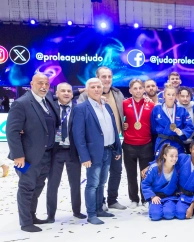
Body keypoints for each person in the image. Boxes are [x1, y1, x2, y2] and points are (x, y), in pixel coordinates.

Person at [6, 73, 60, 232]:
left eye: (47, 84)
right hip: (27, 157)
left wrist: (82, 90)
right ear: (31, 84)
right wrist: (18, 155)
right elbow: (12, 132)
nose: (44, 86)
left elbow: (61, 97)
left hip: (46, 154)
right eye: (40, 83)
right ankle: (26, 222)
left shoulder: (48, 99)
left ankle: (31, 215)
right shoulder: (21, 104)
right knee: (26, 187)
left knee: (37, 186)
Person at [72, 78, 122, 225]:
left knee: (101, 183)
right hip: (93, 154)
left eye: (98, 87)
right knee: (92, 184)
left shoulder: (106, 106)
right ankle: (91, 213)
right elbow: (78, 135)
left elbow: (113, 128)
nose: (96, 89)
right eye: (93, 87)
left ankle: (100, 209)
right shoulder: (81, 108)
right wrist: (84, 156)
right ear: (87, 90)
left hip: (108, 150)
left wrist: (117, 148)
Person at [46, 82, 86, 223]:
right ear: (56, 93)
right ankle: (50, 215)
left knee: (75, 184)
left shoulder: (78, 109)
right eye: (63, 91)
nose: (66, 93)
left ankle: (77, 211)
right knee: (53, 184)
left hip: (72, 152)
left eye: (69, 91)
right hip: (55, 152)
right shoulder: (50, 106)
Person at [122, 79, 155, 209]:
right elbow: (119, 119)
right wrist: (123, 125)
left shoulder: (150, 104)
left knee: (145, 175)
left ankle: (145, 198)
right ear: (130, 91)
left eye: (140, 88)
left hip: (146, 144)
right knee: (131, 174)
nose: (138, 91)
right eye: (135, 88)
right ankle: (134, 199)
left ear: (144, 89)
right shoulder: (124, 103)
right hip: (129, 144)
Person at [151, 85, 194, 156]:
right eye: (168, 94)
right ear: (164, 95)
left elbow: (190, 127)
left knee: (177, 164)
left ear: (176, 96)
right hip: (162, 142)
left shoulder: (182, 110)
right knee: (161, 165)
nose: (171, 97)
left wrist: (181, 132)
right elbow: (153, 128)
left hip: (176, 142)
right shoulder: (157, 109)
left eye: (173, 95)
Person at [142, 145, 179, 221]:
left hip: (170, 197)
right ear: (165, 156)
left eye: (176, 156)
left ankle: (169, 206)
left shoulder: (178, 168)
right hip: (156, 197)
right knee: (155, 216)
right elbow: (145, 184)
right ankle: (152, 206)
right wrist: (152, 196)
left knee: (169, 215)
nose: (174, 159)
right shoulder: (154, 168)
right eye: (171, 156)